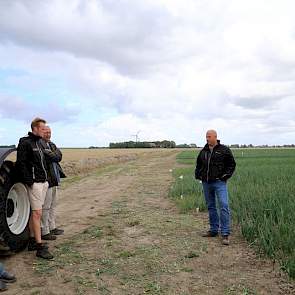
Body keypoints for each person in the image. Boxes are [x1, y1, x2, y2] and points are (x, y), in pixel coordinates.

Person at [16, 118, 54, 259]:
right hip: (35, 184)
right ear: (35, 128)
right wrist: (30, 182)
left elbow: (43, 163)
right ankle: (39, 247)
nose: (45, 131)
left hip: (43, 183)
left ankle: (32, 240)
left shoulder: (39, 142)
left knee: (35, 213)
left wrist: (47, 181)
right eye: (43, 128)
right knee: (37, 214)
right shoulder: (25, 142)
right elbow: (21, 163)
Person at [195, 130, 236, 245]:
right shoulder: (204, 151)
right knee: (211, 206)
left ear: (215, 137)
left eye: (209, 137)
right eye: (206, 137)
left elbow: (231, 164)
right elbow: (198, 164)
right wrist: (198, 175)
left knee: (224, 205)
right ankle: (213, 230)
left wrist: (225, 176)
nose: (207, 139)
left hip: (219, 183)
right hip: (206, 183)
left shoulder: (224, 150)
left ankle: (225, 234)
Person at [41, 126, 65, 240]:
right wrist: (53, 154)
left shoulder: (51, 144)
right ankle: (44, 231)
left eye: (49, 132)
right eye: (46, 132)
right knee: (45, 207)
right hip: (47, 180)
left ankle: (52, 227)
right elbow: (54, 157)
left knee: (52, 205)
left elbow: (59, 156)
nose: (48, 134)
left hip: (54, 179)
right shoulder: (40, 145)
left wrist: (53, 154)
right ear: (41, 132)